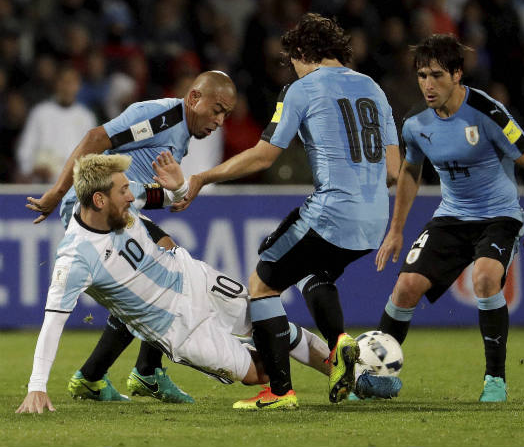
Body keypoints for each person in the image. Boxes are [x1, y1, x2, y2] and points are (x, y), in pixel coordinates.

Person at [171, 13, 402, 409]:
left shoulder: (301, 89)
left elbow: (264, 156)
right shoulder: (373, 88)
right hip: (375, 218)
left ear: (301, 52)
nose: (292, 68)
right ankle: (340, 344)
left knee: (262, 283)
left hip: (331, 211)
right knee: (314, 272)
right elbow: (394, 171)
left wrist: (204, 177)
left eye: (292, 60)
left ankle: (280, 392)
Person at [15, 152, 335, 414]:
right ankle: (251, 350)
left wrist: (179, 186)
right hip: (178, 328)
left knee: (272, 325)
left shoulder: (114, 194)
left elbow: (170, 195)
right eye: (123, 191)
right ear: (99, 200)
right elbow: (52, 324)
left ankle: (348, 373)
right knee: (261, 372)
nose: (131, 195)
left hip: (193, 278)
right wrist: (37, 387)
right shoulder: (75, 259)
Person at [25, 70, 237, 403]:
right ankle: (144, 372)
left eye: (226, 114)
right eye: (217, 110)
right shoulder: (162, 116)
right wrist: (56, 192)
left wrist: (172, 194)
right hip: (95, 206)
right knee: (166, 267)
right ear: (195, 98)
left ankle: (97, 376)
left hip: (124, 210)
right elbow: (96, 138)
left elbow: (139, 182)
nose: (220, 121)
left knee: (146, 281)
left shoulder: (182, 131)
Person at [375, 34, 524, 402]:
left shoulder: (488, 112)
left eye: (437, 75)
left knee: (484, 278)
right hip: (452, 216)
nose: (428, 85)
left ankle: (495, 381)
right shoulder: (415, 123)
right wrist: (396, 230)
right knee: (405, 287)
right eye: (422, 75)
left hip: (498, 216)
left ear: (457, 74)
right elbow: (411, 171)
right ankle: (375, 376)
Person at [16, 65, 96, 183]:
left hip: (75, 186)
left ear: (78, 86)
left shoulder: (86, 117)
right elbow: (24, 151)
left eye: (71, 82)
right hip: (42, 186)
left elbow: (92, 154)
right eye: (63, 82)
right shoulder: (40, 113)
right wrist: (33, 168)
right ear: (56, 84)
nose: (67, 87)